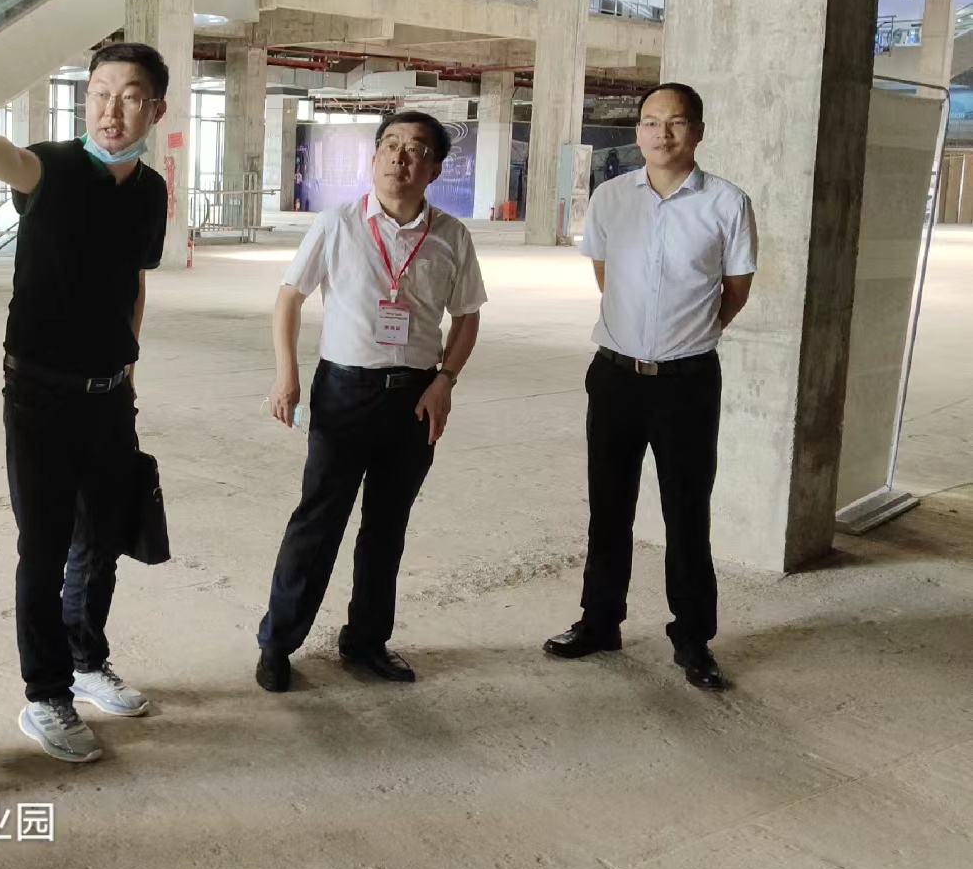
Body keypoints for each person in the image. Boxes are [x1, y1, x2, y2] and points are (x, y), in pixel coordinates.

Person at [0, 41, 168, 763]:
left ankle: (87, 662)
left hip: (110, 392)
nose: (111, 110)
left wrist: (128, 362)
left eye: (128, 96)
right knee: (46, 545)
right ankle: (45, 694)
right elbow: (10, 160)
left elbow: (134, 279)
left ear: (154, 110)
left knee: (102, 539)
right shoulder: (52, 167)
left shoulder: (150, 191)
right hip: (40, 392)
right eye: (99, 93)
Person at [255, 111, 486, 692]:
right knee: (318, 521)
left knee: (387, 528)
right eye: (390, 145)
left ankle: (365, 642)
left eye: (415, 149)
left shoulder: (451, 236)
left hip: (415, 399)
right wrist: (287, 375)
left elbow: (467, 316)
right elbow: (289, 298)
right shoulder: (338, 223)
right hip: (344, 394)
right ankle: (278, 642)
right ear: (375, 155)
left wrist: (446, 380)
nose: (399, 158)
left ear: (435, 168)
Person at [543, 82, 756, 691]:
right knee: (608, 507)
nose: (663, 134)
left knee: (686, 513)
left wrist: (687, 335)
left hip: (688, 383)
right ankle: (599, 622)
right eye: (650, 122)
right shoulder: (611, 198)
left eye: (676, 122)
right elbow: (605, 275)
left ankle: (692, 639)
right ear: (637, 131)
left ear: (698, 132)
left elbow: (735, 289)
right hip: (615, 377)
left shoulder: (727, 203)